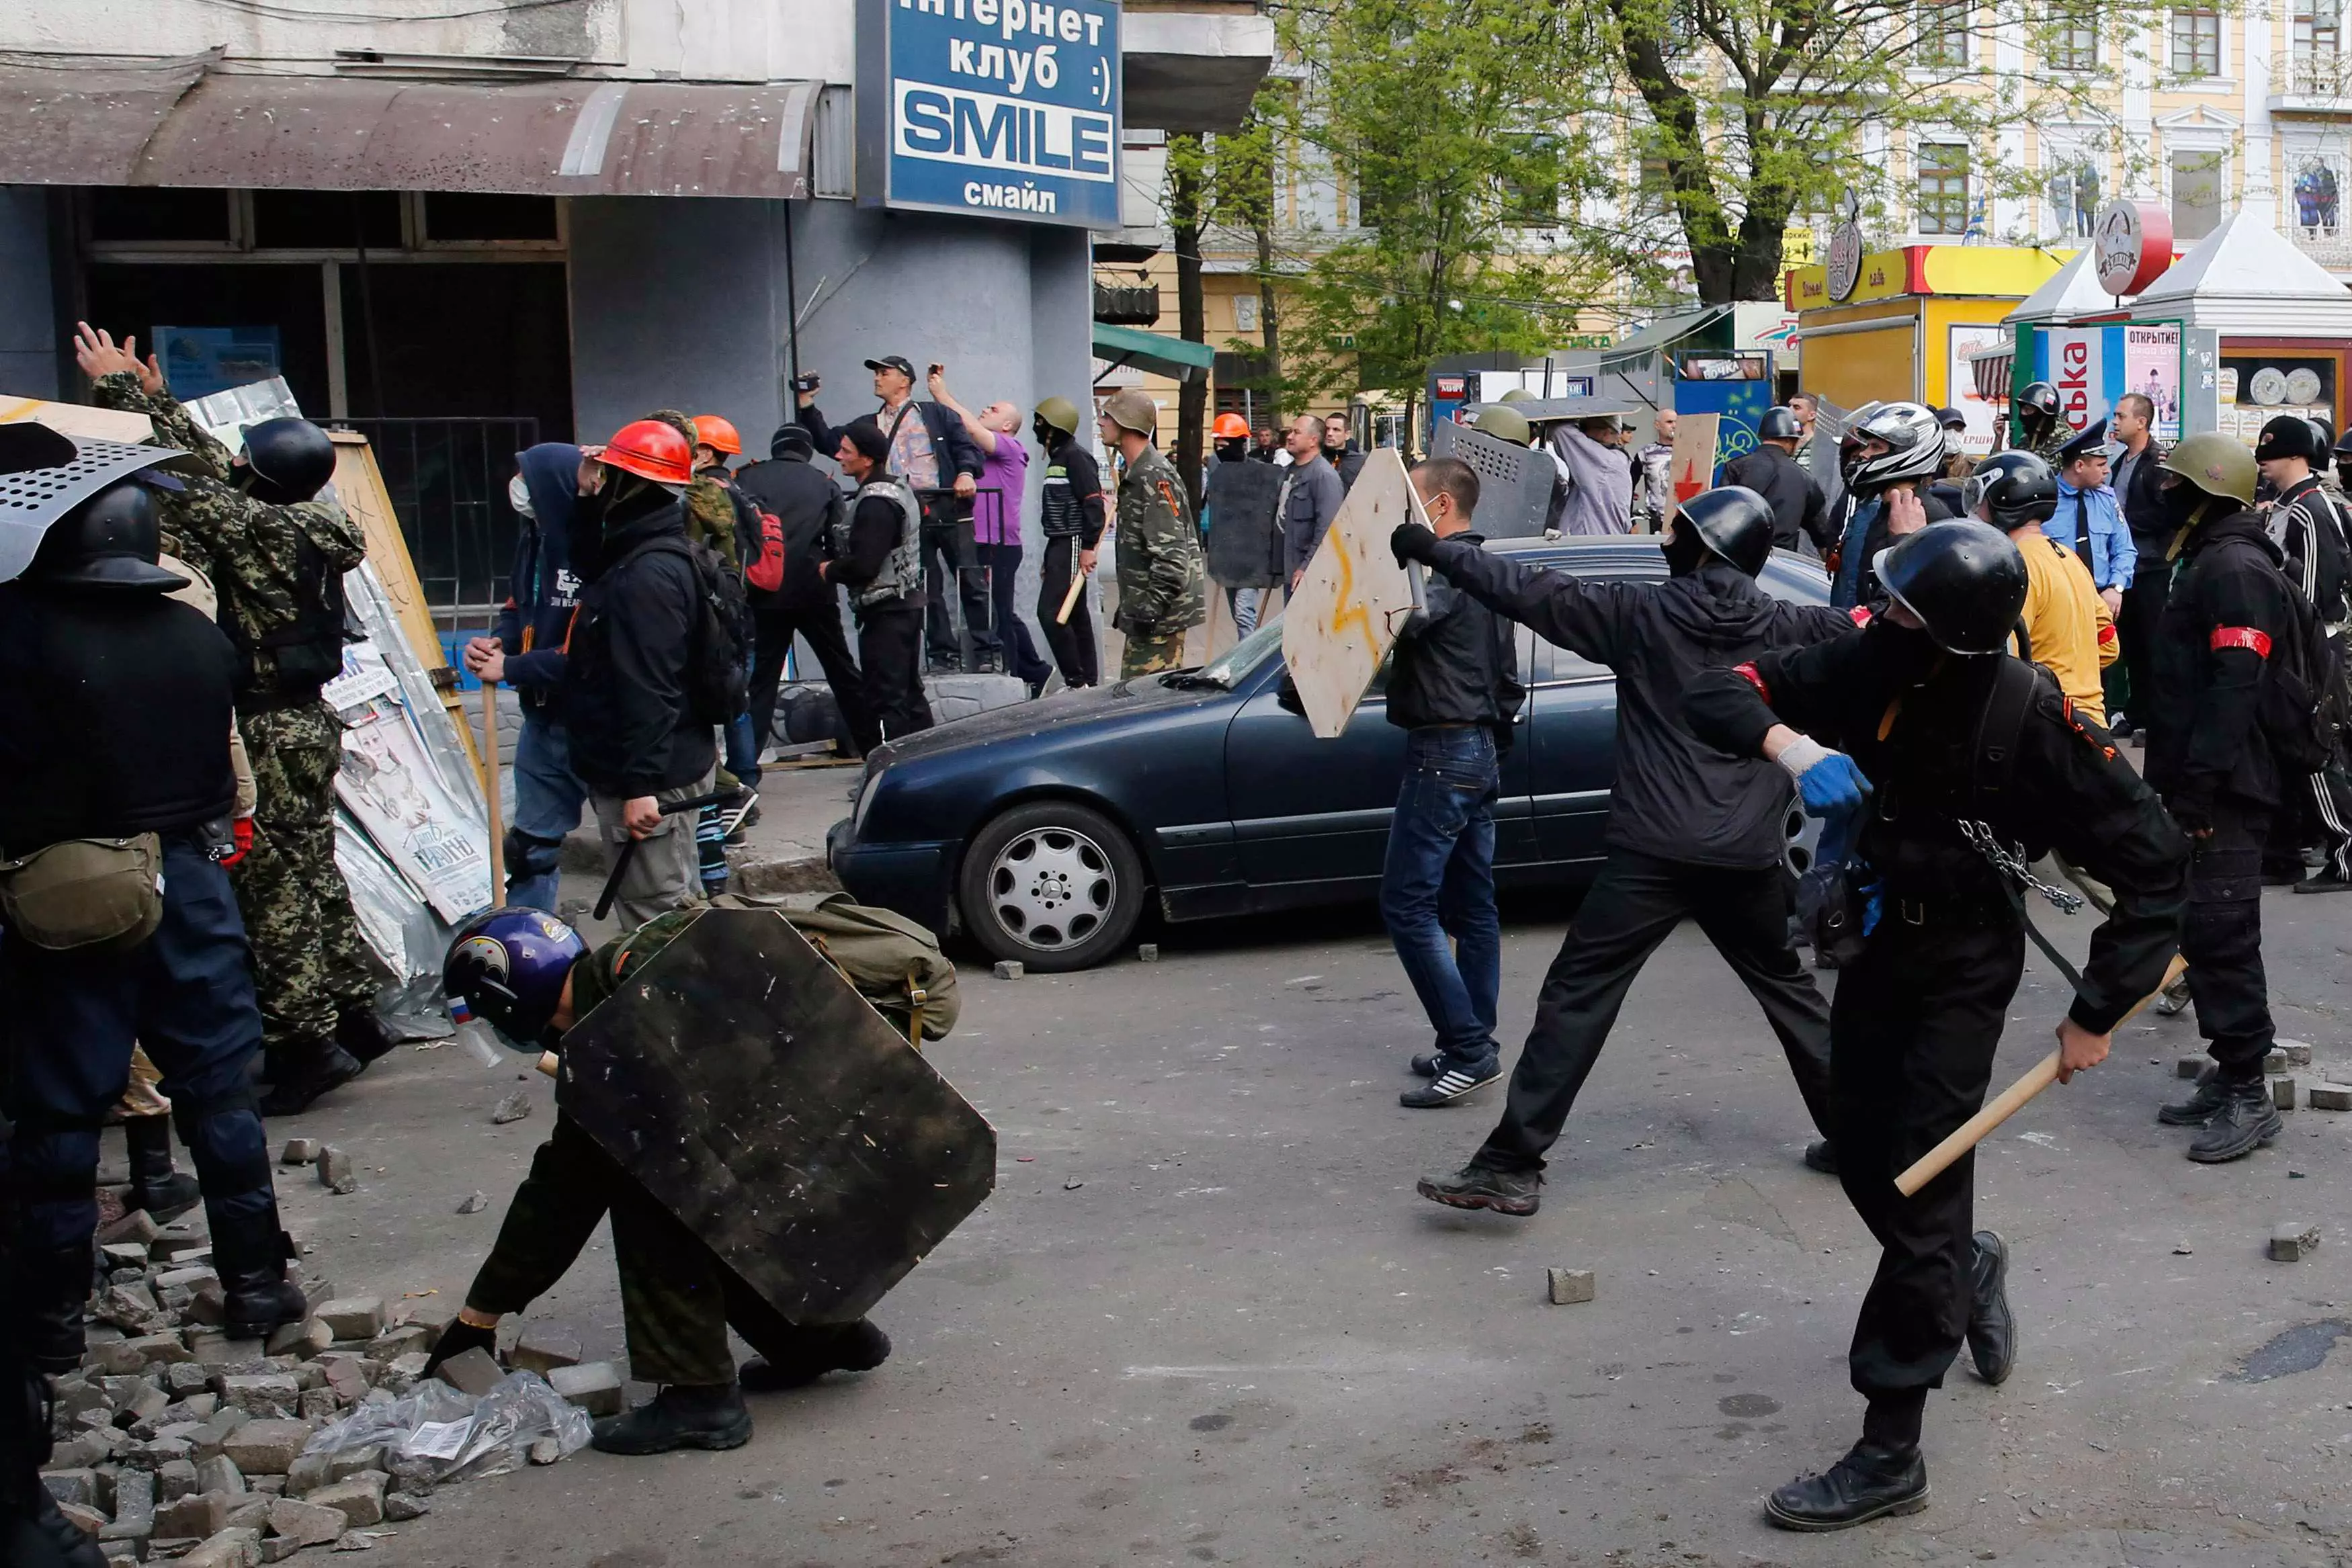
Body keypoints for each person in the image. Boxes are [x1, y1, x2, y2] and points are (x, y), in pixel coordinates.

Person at [1683, 521, 2187, 1532]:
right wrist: (1792, 745)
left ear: (1954, 633)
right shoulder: (1876, 657)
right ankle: (1969, 1264)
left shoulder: (2031, 717)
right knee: (1864, 1151)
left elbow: (2158, 861)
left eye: (1906, 607)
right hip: (1875, 945)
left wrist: (2097, 1010)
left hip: (1966, 964)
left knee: (1920, 1180)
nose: (1883, 619)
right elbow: (1716, 688)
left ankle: (1890, 1444)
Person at [1408, 486, 1864, 1210]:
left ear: (1704, 547)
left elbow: (1527, 592)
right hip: (1744, 854)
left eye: (1676, 532)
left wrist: (1435, 550)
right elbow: (1888, 631)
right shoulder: (1794, 628)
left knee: (1577, 998)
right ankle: (1859, 1143)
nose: (1662, 542)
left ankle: (1510, 1165)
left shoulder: (1638, 615)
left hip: (1650, 853)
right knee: (1790, 996)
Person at [0, 428, 311, 1379]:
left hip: (67, 890)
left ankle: (51, 1313)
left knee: (59, 1106)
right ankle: (257, 1282)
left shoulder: (17, 634)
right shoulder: (195, 637)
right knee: (218, 1087)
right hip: (192, 882)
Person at [431, 908, 890, 1456]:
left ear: (508, 1001)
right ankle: (817, 1336)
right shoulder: (638, 969)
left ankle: (700, 1398)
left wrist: (479, 1315)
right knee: (693, 1176)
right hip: (857, 1146)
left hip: (821, 1165)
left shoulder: (616, 1037)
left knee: (646, 1183)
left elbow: (563, 1192)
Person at [79, 324, 391, 1117]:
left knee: (271, 889)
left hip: (264, 727)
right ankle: (354, 1006)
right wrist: (161, 404)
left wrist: (119, 396)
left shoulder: (255, 526)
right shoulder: (303, 520)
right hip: (305, 722)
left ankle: (305, 1044)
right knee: (314, 870)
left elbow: (196, 490)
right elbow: (221, 476)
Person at [2143, 434, 2307, 1160]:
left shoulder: (2235, 568)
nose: (2162, 490)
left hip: (2228, 786)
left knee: (2221, 929)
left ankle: (2247, 1087)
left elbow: (2234, 689)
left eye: (2175, 483)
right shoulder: (2211, 557)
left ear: (2208, 494)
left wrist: (2198, 792)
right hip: (2204, 779)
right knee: (2201, 927)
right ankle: (2228, 1065)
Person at [1371, 459, 1525, 1108]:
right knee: (1473, 907)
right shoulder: (1480, 571)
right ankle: (1470, 1035)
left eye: (1408, 496)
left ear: (1435, 507)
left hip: (1446, 749)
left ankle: (1468, 1048)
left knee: (1407, 905)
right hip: (1478, 746)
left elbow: (1400, 625)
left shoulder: (1441, 576)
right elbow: (1505, 673)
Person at [558, 419, 718, 930]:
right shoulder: (644, 551)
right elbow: (591, 565)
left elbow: (649, 686)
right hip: (667, 766)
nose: (603, 485)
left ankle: (681, 1011)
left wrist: (640, 786)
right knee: (674, 909)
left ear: (632, 488)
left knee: (659, 923)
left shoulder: (648, 575)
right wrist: (586, 495)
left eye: (610, 478)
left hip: (655, 778)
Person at [798, 357, 986, 672]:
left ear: (905, 381)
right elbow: (831, 443)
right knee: (928, 584)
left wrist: (966, 474)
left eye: (884, 373)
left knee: (971, 578)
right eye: (876, 373)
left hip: (946, 505)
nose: (877, 378)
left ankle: (987, 650)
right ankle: (944, 655)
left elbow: (966, 448)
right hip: (907, 510)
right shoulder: (868, 425)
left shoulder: (936, 414)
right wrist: (806, 405)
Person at [462, 443, 589, 911]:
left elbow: (592, 653)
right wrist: (500, 642)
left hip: (597, 723)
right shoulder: (532, 537)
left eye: (525, 477)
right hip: (542, 717)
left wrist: (512, 668)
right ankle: (529, 948)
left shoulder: (594, 548)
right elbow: (518, 605)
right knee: (532, 850)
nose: (514, 487)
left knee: (636, 858)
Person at [732, 425, 883, 759]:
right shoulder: (825, 483)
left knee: (761, 680)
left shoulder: (746, 478)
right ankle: (869, 747)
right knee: (841, 670)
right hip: (815, 590)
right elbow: (838, 539)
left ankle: (748, 761)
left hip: (765, 593)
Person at [2251, 415, 2352, 894]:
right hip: (2301, 644)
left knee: (2316, 751)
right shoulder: (2291, 505)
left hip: (2310, 646)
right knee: (2292, 752)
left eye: (2270, 456)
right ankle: (2287, 852)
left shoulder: (2309, 509)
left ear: (2296, 455)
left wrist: (2291, 652)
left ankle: (2346, 853)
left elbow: (2310, 594)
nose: (2263, 465)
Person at [1968, 452, 2117, 722]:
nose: (1976, 511)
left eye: (1980, 500)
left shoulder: (2012, 566)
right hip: (2091, 726)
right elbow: (2108, 646)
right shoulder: (2068, 557)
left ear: (2001, 503)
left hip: (2043, 725)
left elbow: (2005, 661)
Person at [931, 370, 1053, 693]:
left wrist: (942, 396)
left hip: (998, 544)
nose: (986, 410)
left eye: (994, 411)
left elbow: (969, 426)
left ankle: (1015, 677)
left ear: (1008, 427)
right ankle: (1037, 674)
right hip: (979, 542)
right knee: (1001, 612)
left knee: (998, 614)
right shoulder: (979, 455)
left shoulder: (1011, 448)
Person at [826, 419, 935, 738]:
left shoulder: (876, 502)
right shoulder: (895, 489)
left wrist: (830, 569)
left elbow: (865, 565)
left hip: (887, 609)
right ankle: (927, 766)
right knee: (908, 694)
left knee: (887, 698)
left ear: (867, 459)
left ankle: (894, 774)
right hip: (902, 605)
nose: (839, 456)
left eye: (846, 451)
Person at [1101, 390, 1206, 678]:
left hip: (1159, 620)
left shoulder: (1153, 476)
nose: (1101, 423)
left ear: (1127, 422)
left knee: (1143, 705)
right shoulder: (1140, 472)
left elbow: (1172, 559)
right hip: (1150, 617)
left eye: (1107, 416)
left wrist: (1148, 610)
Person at [1827, 401, 1956, 611]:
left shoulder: (1928, 516)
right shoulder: (1883, 507)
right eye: (1866, 445)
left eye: (1876, 447)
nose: (1864, 454)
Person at [1032, 397, 1107, 689]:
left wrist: (1088, 547)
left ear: (1055, 428)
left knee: (1051, 613)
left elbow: (1092, 503)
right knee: (1075, 613)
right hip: (1059, 543)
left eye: (1042, 423)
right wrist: (1050, 560)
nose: (1037, 428)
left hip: (1074, 541)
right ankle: (1087, 680)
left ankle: (1077, 680)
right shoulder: (1059, 457)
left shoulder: (1076, 457)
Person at [2109, 393, 2169, 740]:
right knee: (2129, 645)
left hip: (2150, 566)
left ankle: (2153, 718)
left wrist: (2122, 523)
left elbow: (2163, 513)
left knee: (2151, 645)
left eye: (2121, 416)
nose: (2115, 422)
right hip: (2127, 567)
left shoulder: (2156, 462)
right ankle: (2134, 712)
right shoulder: (2120, 462)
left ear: (2141, 422)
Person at [2048, 419, 2136, 615]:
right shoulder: (2045, 500)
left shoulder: (2106, 498)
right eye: (2100, 465)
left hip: (2101, 600)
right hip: (2058, 602)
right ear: (2079, 466)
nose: (2107, 470)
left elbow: (2125, 549)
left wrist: (2116, 587)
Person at [1720, 405, 1829, 554]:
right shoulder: (1805, 478)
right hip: (1781, 563)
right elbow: (1822, 535)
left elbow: (1720, 518)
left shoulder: (1735, 467)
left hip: (1737, 557)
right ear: (1793, 441)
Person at [1206, 412, 1266, 638]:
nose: (1219, 450)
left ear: (1240, 442)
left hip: (1251, 556)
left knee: (1244, 613)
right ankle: (1249, 649)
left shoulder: (1258, 472)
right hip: (1228, 554)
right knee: (1236, 612)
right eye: (1216, 445)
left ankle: (1248, 662)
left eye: (1224, 444)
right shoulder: (1216, 467)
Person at [1278, 413, 1345, 590]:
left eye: (1296, 432)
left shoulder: (1323, 476)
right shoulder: (1288, 473)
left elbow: (1328, 530)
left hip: (1309, 577)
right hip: (1290, 571)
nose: (1290, 437)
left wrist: (1306, 567)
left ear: (1313, 440)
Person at [1548, 414, 1636, 535]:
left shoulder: (1603, 461)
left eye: (1584, 429)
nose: (1583, 434)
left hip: (1594, 542)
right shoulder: (1616, 460)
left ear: (1606, 433)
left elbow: (1561, 432)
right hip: (1602, 540)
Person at [1631, 410, 1678, 533]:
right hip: (1658, 521)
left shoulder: (1691, 451)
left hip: (1685, 518)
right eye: (1669, 422)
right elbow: (1628, 486)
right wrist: (1630, 520)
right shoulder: (1646, 454)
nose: (1674, 425)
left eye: (1677, 422)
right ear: (1657, 425)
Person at [2011, 380, 2066, 465]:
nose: (2022, 414)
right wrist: (1998, 439)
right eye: (2022, 409)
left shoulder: (2066, 442)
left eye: (2027, 410)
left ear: (2042, 414)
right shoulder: (2028, 439)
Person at [1322, 412, 1368, 492]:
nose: (1329, 434)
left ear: (1347, 435)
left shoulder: (1360, 462)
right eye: (1327, 429)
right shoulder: (1315, 459)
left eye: (1336, 430)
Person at [1789, 392, 1820, 462]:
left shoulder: (1818, 446)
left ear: (1811, 415)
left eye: (1796, 408)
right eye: (1789, 406)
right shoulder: (1784, 443)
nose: (1790, 410)